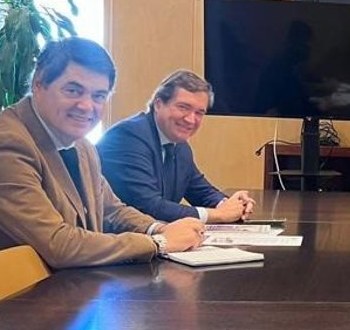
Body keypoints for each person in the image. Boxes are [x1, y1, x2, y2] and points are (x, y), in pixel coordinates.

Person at [0, 38, 206, 270]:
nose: (86, 106)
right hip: (12, 296)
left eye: (98, 96)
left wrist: (159, 228)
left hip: (65, 283)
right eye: (73, 91)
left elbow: (111, 210)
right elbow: (58, 244)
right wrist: (158, 243)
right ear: (39, 84)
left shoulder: (82, 145)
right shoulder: (5, 145)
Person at [99, 69, 256, 223]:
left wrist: (232, 205)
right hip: (117, 237)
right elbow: (148, 206)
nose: (191, 119)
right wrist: (218, 215)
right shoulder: (128, 136)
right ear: (158, 104)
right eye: (183, 107)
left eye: (199, 113)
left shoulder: (179, 146)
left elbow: (201, 190)